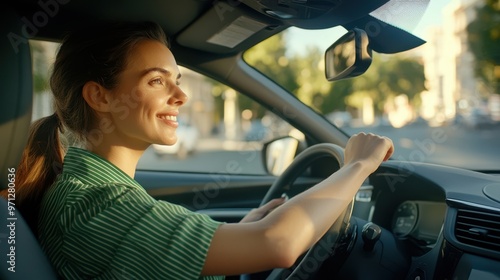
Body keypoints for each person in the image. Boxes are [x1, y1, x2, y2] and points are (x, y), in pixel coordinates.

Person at [3, 22, 394, 279]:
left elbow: (152, 250)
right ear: (99, 96)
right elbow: (279, 243)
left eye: (176, 79)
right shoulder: (99, 204)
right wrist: (358, 164)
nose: (181, 95)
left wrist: (243, 229)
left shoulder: (87, 192)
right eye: (157, 81)